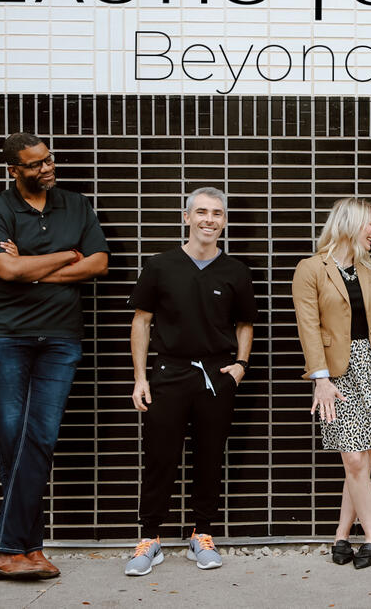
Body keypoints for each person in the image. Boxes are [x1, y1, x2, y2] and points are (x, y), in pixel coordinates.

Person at [0, 132, 109, 579]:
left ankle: (13, 550)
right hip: (3, 336)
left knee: (41, 438)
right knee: (16, 440)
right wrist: (67, 257)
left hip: (60, 337)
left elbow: (98, 263)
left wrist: (33, 269)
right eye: (35, 164)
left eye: (49, 160)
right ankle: (22, 549)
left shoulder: (76, 204)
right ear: (14, 170)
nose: (47, 168)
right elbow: (6, 268)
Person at [123, 187, 258, 576]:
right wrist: (140, 378)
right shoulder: (160, 266)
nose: (209, 220)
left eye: (216, 213)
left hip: (216, 376)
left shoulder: (236, 271)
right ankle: (150, 538)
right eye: (201, 212)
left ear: (224, 222)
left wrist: (241, 365)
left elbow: (245, 324)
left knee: (210, 456)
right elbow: (141, 322)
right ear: (186, 217)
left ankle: (203, 533)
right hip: (169, 373)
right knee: (160, 457)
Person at [292, 197, 371, 570]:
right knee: (352, 458)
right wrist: (320, 379)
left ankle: (341, 534)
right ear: (350, 223)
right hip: (336, 374)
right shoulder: (310, 269)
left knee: (360, 462)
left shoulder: (368, 270)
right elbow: (308, 328)